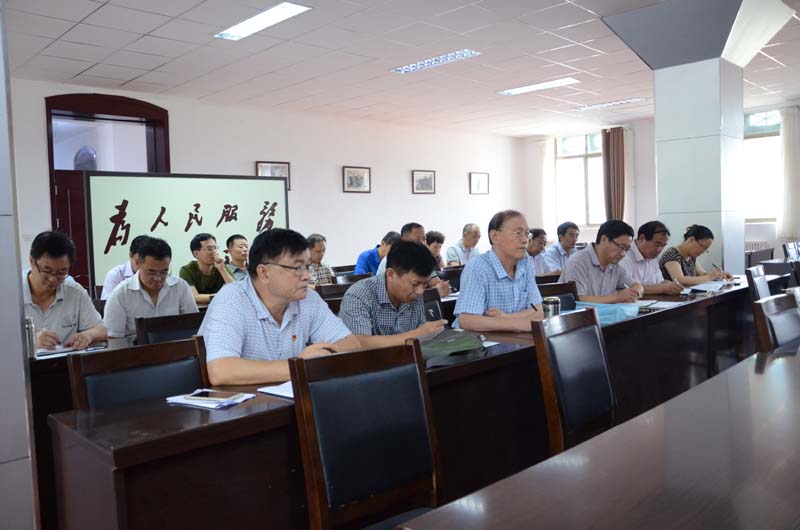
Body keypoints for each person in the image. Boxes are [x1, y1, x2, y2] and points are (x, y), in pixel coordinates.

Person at [198, 228, 360, 385]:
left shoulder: (307, 299)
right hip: (236, 400)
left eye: (307, 266)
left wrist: (323, 354)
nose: (307, 276)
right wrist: (299, 365)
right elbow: (221, 371)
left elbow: (351, 344)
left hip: (290, 396)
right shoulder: (231, 299)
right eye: (297, 268)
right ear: (264, 273)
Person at [340, 240, 447, 347]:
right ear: (391, 274)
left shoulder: (414, 294)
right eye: (415, 284)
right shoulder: (359, 295)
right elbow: (359, 343)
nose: (420, 291)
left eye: (425, 284)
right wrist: (418, 334)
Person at [455, 210, 544, 332]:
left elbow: (538, 311)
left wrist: (506, 318)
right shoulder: (477, 268)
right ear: (494, 237)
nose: (525, 240)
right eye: (518, 233)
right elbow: (467, 320)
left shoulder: (526, 262)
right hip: (482, 342)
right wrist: (518, 324)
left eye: (527, 234)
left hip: (515, 340)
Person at [104, 237, 198, 345]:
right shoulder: (121, 294)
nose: (158, 278)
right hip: (135, 352)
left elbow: (194, 326)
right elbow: (113, 338)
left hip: (176, 350)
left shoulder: (180, 287)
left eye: (164, 272)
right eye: (151, 272)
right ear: (138, 264)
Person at [23, 231, 107, 350]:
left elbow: (102, 330)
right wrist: (30, 341)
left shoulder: (74, 292)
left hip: (66, 361)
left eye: (61, 272)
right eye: (47, 271)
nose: (53, 279)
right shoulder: (9, 294)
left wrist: (87, 335)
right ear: (32, 261)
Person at [559, 219, 644, 303]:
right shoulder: (578, 261)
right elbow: (579, 300)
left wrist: (635, 292)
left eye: (626, 249)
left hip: (605, 311)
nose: (623, 254)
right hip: (576, 312)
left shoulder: (614, 264)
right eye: (621, 247)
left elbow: (636, 285)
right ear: (604, 239)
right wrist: (617, 297)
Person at [619, 221, 684, 295]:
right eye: (657, 244)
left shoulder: (653, 257)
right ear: (642, 238)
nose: (659, 250)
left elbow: (659, 282)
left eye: (663, 246)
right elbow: (626, 288)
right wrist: (662, 288)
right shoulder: (624, 255)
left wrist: (669, 284)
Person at [659, 224, 733, 286]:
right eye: (702, 247)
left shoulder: (691, 256)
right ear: (691, 240)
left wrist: (718, 275)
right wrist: (710, 277)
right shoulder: (672, 254)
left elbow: (703, 274)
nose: (703, 251)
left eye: (705, 249)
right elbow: (679, 280)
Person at [180, 233, 235, 305]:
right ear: (196, 253)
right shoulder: (186, 270)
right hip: (198, 310)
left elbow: (235, 290)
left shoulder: (221, 266)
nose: (214, 252)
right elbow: (194, 297)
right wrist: (221, 297)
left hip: (220, 308)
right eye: (209, 249)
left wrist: (222, 269)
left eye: (215, 248)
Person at [100, 234, 150, 300]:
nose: (142, 267)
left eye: (146, 262)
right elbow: (107, 303)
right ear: (130, 255)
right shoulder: (115, 274)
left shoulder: (156, 275)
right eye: (138, 262)